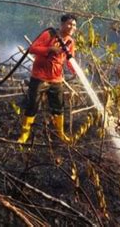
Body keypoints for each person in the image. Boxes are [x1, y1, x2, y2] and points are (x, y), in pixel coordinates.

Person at [17, 14, 77, 145]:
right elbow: (32, 49)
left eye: (74, 25)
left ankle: (60, 134)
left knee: (59, 108)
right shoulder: (49, 34)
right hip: (39, 77)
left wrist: (75, 70)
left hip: (56, 80)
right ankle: (24, 135)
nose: (72, 27)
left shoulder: (70, 42)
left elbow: (69, 59)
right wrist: (50, 49)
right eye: (69, 24)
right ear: (62, 24)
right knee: (32, 106)